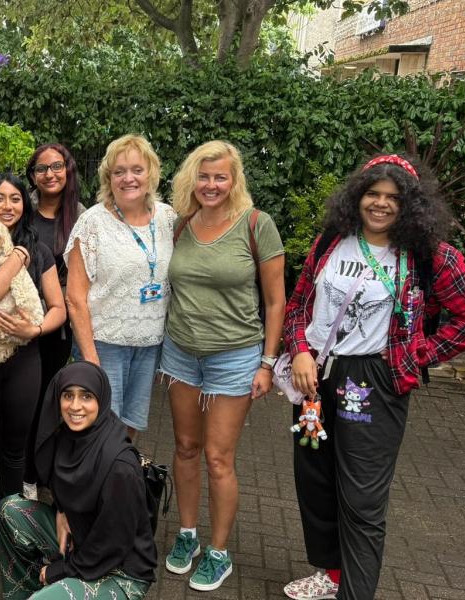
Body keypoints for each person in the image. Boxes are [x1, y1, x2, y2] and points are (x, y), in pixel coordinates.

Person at [281, 154, 465, 600]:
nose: (380, 204)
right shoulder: (330, 242)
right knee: (316, 479)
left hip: (372, 382)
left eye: (392, 198)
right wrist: (300, 349)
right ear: (356, 197)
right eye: (372, 194)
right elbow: (299, 302)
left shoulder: (425, 255)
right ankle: (332, 574)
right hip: (314, 377)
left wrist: (419, 355)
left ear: (410, 205)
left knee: (361, 497)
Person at [157, 140, 285, 591]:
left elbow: (275, 300)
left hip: (235, 357)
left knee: (218, 458)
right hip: (180, 354)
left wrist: (268, 362)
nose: (211, 185)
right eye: (204, 176)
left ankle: (219, 552)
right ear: (193, 179)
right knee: (186, 448)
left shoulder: (256, 224)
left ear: (234, 181)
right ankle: (188, 535)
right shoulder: (180, 226)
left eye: (220, 177)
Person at [0, 172, 68, 578]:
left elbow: (58, 307)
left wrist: (34, 329)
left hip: (27, 355)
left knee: (15, 450)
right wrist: (15, 258)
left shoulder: (40, 250)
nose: (7, 205)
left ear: (25, 204)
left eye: (16, 198)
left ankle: (10, 529)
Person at [0, 361, 156, 600]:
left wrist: (61, 571)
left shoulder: (120, 467)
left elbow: (112, 543)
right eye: (68, 395)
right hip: (81, 541)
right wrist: (61, 509)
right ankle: (29, 593)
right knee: (10, 510)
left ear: (100, 400)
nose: (75, 406)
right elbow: (65, 485)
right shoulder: (67, 436)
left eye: (86, 396)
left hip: (120, 570)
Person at [64, 134, 176, 438]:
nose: (129, 178)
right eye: (119, 172)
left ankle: (119, 482)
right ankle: (90, 485)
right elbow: (74, 297)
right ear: (108, 178)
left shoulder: (168, 218)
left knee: (130, 427)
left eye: (137, 170)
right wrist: (89, 355)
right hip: (104, 343)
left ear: (151, 173)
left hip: (149, 343)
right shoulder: (92, 223)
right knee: (98, 426)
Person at [22, 143, 85, 489]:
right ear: (32, 176)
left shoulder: (82, 216)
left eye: (56, 166)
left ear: (68, 169)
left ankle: (34, 476)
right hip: (19, 320)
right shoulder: (22, 210)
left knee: (46, 399)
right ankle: (12, 476)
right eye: (42, 169)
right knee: (20, 401)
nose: (50, 174)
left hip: (58, 326)